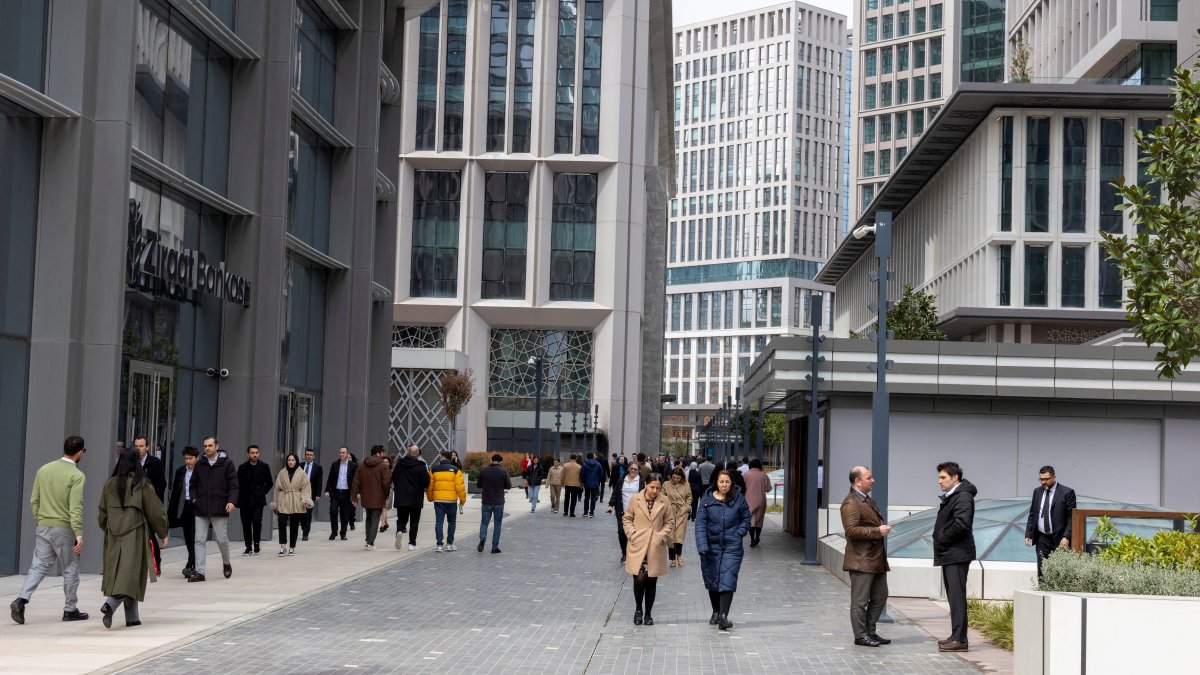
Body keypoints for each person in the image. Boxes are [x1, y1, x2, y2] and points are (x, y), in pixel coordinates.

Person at [10, 436, 89, 625]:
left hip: (43, 525)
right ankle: (70, 609)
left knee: (39, 565)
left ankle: (21, 599)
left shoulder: (44, 470)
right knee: (70, 568)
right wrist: (78, 534)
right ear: (79, 452)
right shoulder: (76, 475)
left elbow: (34, 500)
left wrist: (40, 520)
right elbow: (75, 507)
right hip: (64, 528)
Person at [98, 448, 169, 629]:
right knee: (131, 574)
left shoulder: (109, 484)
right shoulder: (142, 484)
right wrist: (163, 532)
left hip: (113, 536)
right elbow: (156, 511)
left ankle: (132, 618)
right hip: (135, 535)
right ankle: (110, 604)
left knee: (124, 573)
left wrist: (109, 528)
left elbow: (102, 514)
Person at [840, 466, 892, 648]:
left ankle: (870, 631)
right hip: (861, 560)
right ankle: (860, 636)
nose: (873, 480)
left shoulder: (865, 500)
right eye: (869, 477)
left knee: (880, 596)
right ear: (857, 481)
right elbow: (851, 531)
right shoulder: (851, 502)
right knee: (860, 601)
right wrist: (877, 531)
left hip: (875, 559)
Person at [695, 469, 751, 631]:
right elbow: (700, 524)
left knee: (728, 578)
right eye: (721, 482)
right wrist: (702, 545)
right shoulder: (707, 500)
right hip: (711, 547)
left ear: (732, 483)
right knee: (712, 578)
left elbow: (746, 518)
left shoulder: (738, 499)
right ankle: (716, 611)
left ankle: (723, 616)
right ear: (716, 483)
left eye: (727, 482)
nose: (724, 485)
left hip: (732, 547)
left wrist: (738, 534)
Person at [933, 461, 977, 653]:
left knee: (957, 597)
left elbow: (962, 524)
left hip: (956, 554)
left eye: (943, 477)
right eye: (939, 477)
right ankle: (956, 635)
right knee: (953, 596)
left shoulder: (963, 497)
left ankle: (960, 639)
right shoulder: (954, 496)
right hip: (951, 553)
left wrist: (941, 537)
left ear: (955, 477)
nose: (939, 481)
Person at [621, 472, 673, 626]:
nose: (655, 491)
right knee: (639, 580)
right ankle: (638, 609)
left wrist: (660, 536)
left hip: (655, 547)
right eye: (652, 487)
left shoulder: (665, 501)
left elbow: (669, 522)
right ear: (645, 485)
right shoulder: (635, 499)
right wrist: (632, 534)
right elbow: (627, 518)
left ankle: (648, 613)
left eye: (658, 487)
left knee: (651, 581)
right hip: (638, 545)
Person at [189, 436, 239, 582]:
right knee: (199, 540)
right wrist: (194, 499)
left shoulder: (227, 463)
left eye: (210, 445)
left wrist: (231, 501)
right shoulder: (200, 464)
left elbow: (234, 485)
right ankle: (200, 572)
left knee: (221, 539)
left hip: (219, 506)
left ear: (217, 446)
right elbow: (193, 484)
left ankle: (226, 562)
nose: (207, 448)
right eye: (205, 446)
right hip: (201, 507)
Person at [1024, 465, 1077, 579]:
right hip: (1042, 538)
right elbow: (1033, 514)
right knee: (1042, 571)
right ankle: (1042, 594)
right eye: (1041, 479)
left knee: (1061, 572)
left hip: (1060, 539)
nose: (1043, 482)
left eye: (1046, 479)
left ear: (1054, 477)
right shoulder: (1037, 492)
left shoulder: (1067, 493)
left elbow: (1071, 517)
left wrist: (1066, 537)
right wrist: (1028, 534)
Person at [132, 435, 166, 574]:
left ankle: (156, 562)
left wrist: (154, 501)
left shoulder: (155, 462)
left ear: (147, 447)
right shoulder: (131, 462)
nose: (138, 448)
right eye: (136, 446)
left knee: (151, 534)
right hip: (135, 504)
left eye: (141, 446)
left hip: (150, 504)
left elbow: (161, 484)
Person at [167, 446, 200, 578]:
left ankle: (191, 564)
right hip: (185, 506)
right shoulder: (180, 471)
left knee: (196, 536)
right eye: (186, 458)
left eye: (190, 458)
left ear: (197, 458)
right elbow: (175, 492)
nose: (188, 461)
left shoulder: (202, 471)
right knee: (188, 537)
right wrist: (171, 510)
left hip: (197, 507)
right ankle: (192, 563)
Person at [272, 453, 311, 556]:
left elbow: (306, 487)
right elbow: (277, 488)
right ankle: (283, 546)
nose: (290, 462)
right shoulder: (282, 473)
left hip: (296, 500)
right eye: (289, 460)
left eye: (293, 460)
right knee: (282, 523)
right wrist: (275, 503)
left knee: (294, 525)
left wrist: (305, 500)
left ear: (296, 461)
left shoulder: (302, 473)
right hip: (283, 500)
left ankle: (292, 546)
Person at [427, 450, 467, 551]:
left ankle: (439, 545)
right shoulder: (455, 470)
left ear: (442, 457)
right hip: (451, 500)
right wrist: (462, 501)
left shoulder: (434, 470)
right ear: (450, 458)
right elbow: (460, 487)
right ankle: (449, 544)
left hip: (438, 500)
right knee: (452, 522)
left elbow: (430, 486)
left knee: (439, 522)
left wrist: (430, 497)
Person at [392, 445, 430, 550]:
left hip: (401, 497)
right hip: (415, 498)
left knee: (401, 518)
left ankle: (399, 530)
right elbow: (427, 482)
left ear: (408, 452)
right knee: (414, 521)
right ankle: (412, 544)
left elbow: (394, 478)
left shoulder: (400, 464)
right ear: (418, 453)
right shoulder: (421, 466)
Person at [606, 463, 645, 564]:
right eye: (631, 468)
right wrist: (610, 505)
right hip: (622, 511)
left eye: (635, 469)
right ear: (628, 469)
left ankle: (633, 553)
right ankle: (624, 553)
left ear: (639, 470)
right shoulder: (622, 479)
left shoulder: (641, 481)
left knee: (633, 534)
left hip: (636, 512)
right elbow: (615, 493)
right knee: (621, 532)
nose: (633, 470)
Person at [237, 445, 272, 556]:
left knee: (257, 521)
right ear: (248, 454)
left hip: (258, 500)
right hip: (245, 500)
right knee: (246, 524)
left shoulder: (264, 467)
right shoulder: (242, 468)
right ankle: (248, 547)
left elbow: (270, 483)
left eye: (256, 452)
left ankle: (256, 543)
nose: (254, 455)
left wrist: (262, 492)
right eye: (252, 453)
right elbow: (237, 484)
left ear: (259, 453)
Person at [477, 454, 512, 553]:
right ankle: (494, 547)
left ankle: (483, 537)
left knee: (484, 522)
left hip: (486, 501)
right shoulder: (503, 471)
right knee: (497, 524)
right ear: (500, 461)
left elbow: (478, 485)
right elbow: (509, 485)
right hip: (498, 501)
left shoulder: (484, 470)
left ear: (492, 460)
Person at [324, 446, 356, 540]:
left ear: (347, 454)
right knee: (333, 511)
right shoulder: (334, 464)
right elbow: (330, 478)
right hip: (336, 492)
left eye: (343, 453)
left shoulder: (353, 466)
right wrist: (327, 490)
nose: (341, 454)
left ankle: (343, 533)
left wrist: (355, 494)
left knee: (345, 514)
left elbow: (355, 481)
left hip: (347, 493)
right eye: (340, 453)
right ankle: (334, 532)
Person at [663, 467, 691, 568]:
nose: (675, 480)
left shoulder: (686, 484)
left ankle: (679, 556)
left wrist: (686, 508)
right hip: (669, 512)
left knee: (679, 536)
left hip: (681, 512)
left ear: (681, 477)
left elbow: (689, 497)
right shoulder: (666, 484)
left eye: (678, 478)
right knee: (670, 537)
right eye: (674, 477)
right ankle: (672, 559)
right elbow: (662, 496)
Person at [742, 459, 773, 547]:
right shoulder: (763, 475)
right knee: (759, 520)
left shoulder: (746, 474)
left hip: (748, 500)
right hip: (760, 499)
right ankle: (757, 537)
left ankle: (751, 540)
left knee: (751, 520)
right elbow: (768, 489)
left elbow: (743, 488)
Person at [300, 449, 323, 541]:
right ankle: (303, 526)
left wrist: (318, 494)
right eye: (307, 454)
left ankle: (305, 533)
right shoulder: (300, 466)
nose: (309, 456)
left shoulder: (318, 467)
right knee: (301, 513)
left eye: (311, 455)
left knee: (308, 514)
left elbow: (319, 482)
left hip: (311, 493)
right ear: (305, 456)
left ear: (313, 456)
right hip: (300, 493)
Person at [580, 452, 605, 518]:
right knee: (593, 498)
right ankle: (591, 512)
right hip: (595, 484)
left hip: (587, 484)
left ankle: (585, 512)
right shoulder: (598, 464)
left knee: (586, 498)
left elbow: (582, 474)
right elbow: (601, 474)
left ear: (587, 457)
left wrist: (584, 481)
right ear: (593, 457)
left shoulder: (585, 464)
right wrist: (598, 481)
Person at [561, 453, 583, 517]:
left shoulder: (565, 465)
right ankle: (572, 513)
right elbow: (580, 476)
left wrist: (562, 483)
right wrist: (581, 484)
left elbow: (562, 475)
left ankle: (565, 512)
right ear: (576, 458)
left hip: (567, 484)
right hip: (576, 484)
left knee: (567, 497)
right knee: (574, 498)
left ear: (570, 458)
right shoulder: (579, 466)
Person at [379, 453, 396, 533]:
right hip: (380, 491)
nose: (385, 463)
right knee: (383, 508)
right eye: (383, 462)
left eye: (386, 462)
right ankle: (385, 523)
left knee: (384, 507)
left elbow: (394, 482)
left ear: (389, 463)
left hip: (389, 491)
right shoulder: (379, 472)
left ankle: (382, 525)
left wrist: (392, 488)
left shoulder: (392, 472)